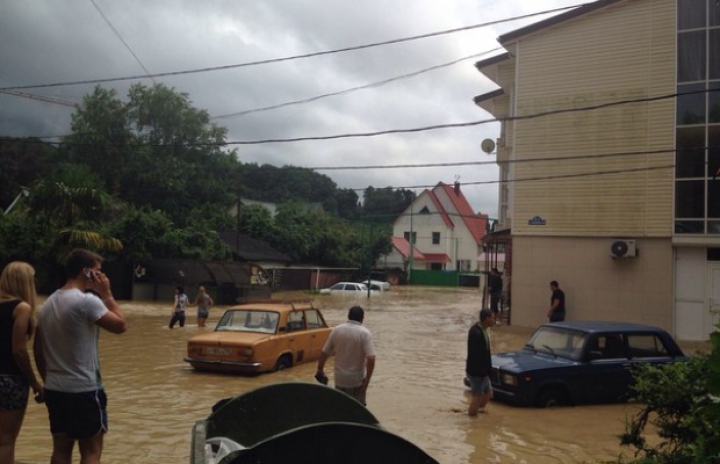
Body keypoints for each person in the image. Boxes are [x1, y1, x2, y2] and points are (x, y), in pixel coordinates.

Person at [34, 248, 126, 464]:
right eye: (98, 271)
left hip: (55, 389)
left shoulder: (46, 305)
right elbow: (121, 325)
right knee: (91, 452)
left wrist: (47, 381)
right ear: (86, 272)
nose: (101, 276)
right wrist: (107, 294)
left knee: (60, 451)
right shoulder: (86, 301)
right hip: (84, 389)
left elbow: (38, 350)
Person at [0, 261, 44, 464]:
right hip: (9, 380)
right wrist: (35, 382)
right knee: (6, 441)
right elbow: (18, 350)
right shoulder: (21, 307)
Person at [315, 306, 376, 406]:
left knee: (341, 408)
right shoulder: (365, 333)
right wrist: (367, 381)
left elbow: (324, 352)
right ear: (362, 318)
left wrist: (320, 369)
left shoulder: (336, 330)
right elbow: (371, 358)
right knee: (357, 410)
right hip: (356, 380)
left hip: (339, 379)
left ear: (348, 316)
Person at [466, 308, 495, 416]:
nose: (494, 320)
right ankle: (472, 420)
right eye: (492, 318)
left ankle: (476, 410)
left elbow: (485, 354)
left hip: (483, 372)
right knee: (477, 396)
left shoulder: (483, 330)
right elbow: (476, 356)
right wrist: (481, 373)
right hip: (477, 372)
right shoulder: (476, 333)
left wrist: (487, 371)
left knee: (488, 394)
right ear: (486, 319)